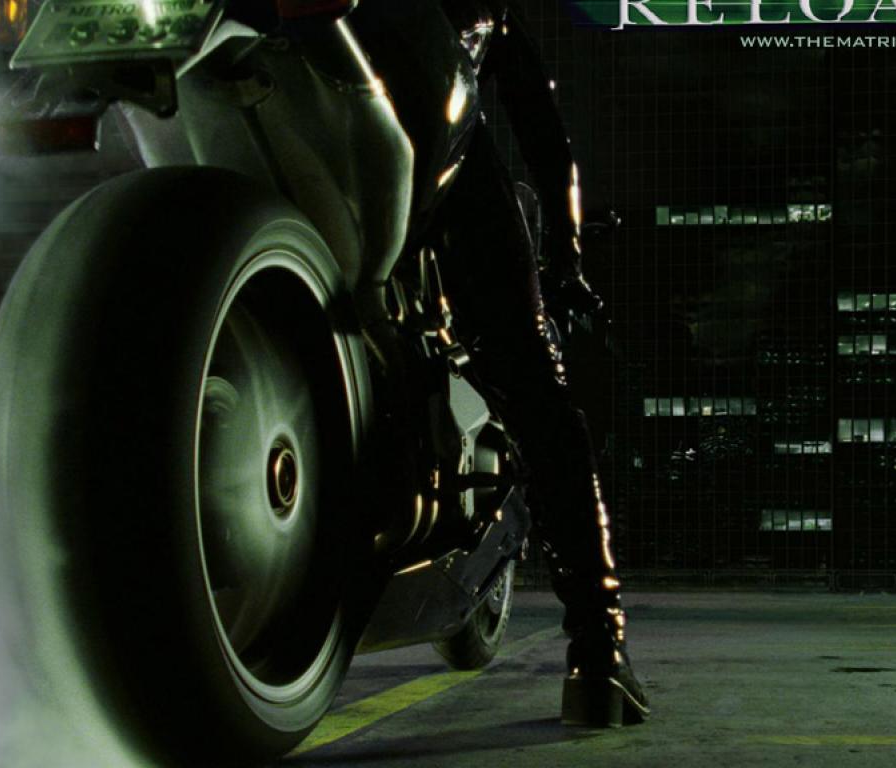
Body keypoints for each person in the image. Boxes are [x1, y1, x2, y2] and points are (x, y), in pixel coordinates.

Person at [277, 0, 649, 726]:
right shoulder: (473, 18)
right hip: (427, 154)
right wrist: (568, 260)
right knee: (539, 395)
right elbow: (542, 134)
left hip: (277, 126)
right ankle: (599, 649)